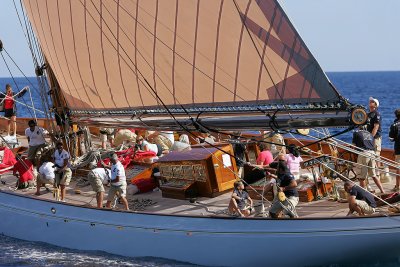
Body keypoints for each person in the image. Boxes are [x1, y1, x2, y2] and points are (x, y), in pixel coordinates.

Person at [352, 125, 385, 193]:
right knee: (373, 175)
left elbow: (353, 146)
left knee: (361, 177)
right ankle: (382, 191)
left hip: (364, 154)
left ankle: (364, 194)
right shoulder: (370, 134)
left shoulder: (356, 133)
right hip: (372, 153)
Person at [367, 97, 382, 173]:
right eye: (370, 101)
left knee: (376, 155)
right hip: (369, 137)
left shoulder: (377, 114)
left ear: (375, 105)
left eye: (372, 101)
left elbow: (376, 127)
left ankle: (378, 173)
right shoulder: (368, 114)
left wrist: (371, 137)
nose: (370, 102)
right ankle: (372, 172)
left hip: (375, 138)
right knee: (371, 155)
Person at [389, 109, 400, 191]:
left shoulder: (394, 125)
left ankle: (397, 186)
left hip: (398, 149)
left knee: (398, 168)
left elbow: (391, 138)